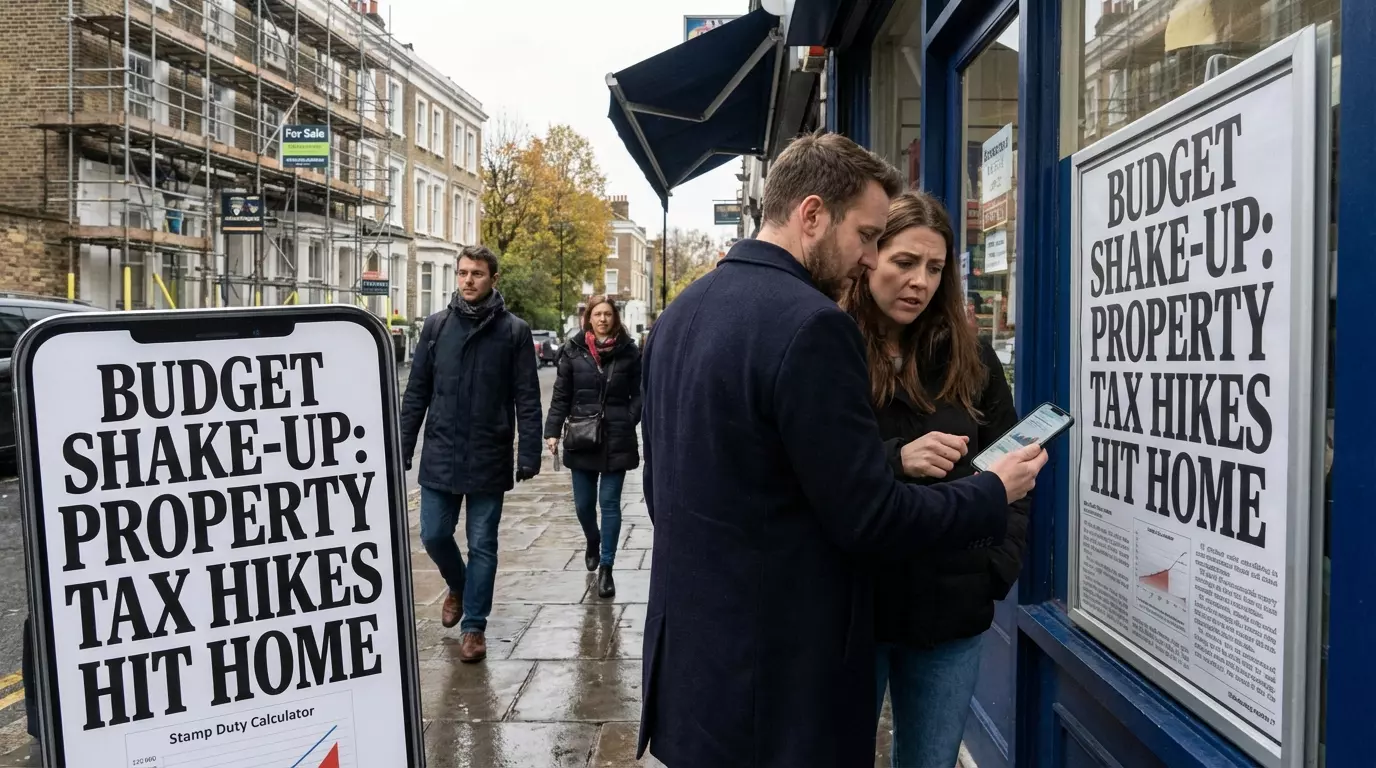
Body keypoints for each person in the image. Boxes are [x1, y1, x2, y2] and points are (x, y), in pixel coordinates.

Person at [635, 130, 1049, 767]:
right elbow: (868, 515)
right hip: (775, 669)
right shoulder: (814, 325)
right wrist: (989, 491)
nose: (868, 257)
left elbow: (664, 492)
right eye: (867, 237)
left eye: (932, 267)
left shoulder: (681, 311)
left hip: (696, 665)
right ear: (811, 215)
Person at [841, 191, 1028, 768]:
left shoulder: (970, 357)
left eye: (935, 268)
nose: (919, 281)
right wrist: (896, 458)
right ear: (871, 256)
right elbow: (812, 470)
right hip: (854, 606)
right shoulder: (828, 344)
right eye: (904, 262)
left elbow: (1014, 466)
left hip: (950, 608)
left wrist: (993, 571)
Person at [400, 244, 543, 664]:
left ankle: (474, 627)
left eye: (477, 273)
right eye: (462, 273)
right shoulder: (436, 327)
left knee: (483, 544)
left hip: (489, 453)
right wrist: (402, 448)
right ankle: (458, 585)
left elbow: (527, 397)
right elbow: (416, 394)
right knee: (433, 534)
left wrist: (528, 452)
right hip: (441, 452)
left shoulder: (514, 331)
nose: (467, 280)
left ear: (493, 279)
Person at [543, 296, 642, 599]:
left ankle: (607, 568)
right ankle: (592, 539)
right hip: (582, 437)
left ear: (615, 317)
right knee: (584, 506)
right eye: (597, 314)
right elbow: (561, 395)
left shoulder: (629, 352)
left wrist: (629, 418)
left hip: (617, 438)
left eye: (608, 314)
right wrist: (552, 432)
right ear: (589, 318)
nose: (602, 319)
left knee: (609, 504)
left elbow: (640, 393)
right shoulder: (573, 351)